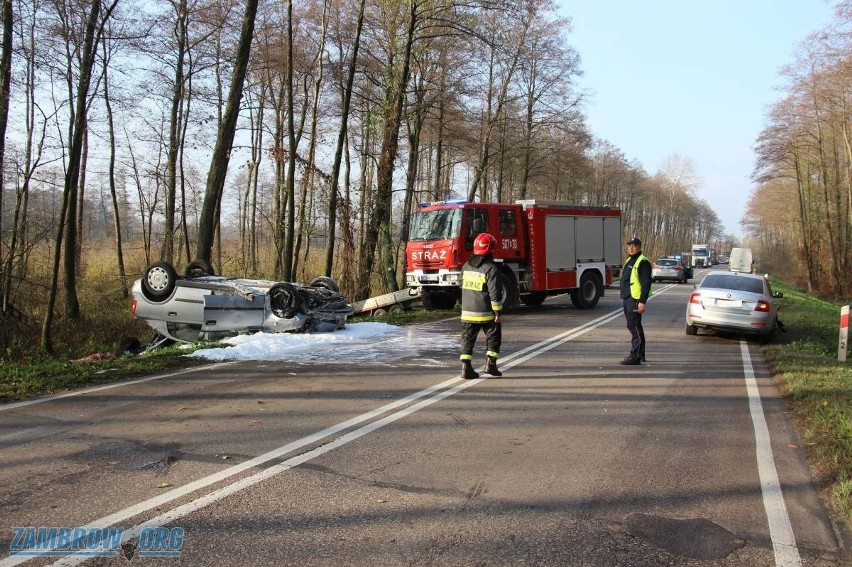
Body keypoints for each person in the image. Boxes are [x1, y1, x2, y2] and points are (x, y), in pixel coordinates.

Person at [459, 232, 505, 379]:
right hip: (486, 312)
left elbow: (461, 285)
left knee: (467, 339)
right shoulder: (491, 268)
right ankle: (490, 365)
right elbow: (494, 292)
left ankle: (466, 368)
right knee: (494, 336)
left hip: (467, 312)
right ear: (490, 248)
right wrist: (497, 313)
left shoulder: (466, 266)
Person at [619, 237, 652, 365]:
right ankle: (641, 353)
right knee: (633, 325)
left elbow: (646, 282)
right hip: (627, 297)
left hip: (635, 298)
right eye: (629, 245)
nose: (631, 248)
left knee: (634, 326)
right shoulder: (630, 260)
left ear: (639, 247)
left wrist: (642, 301)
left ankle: (635, 356)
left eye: (634, 245)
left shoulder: (642, 262)